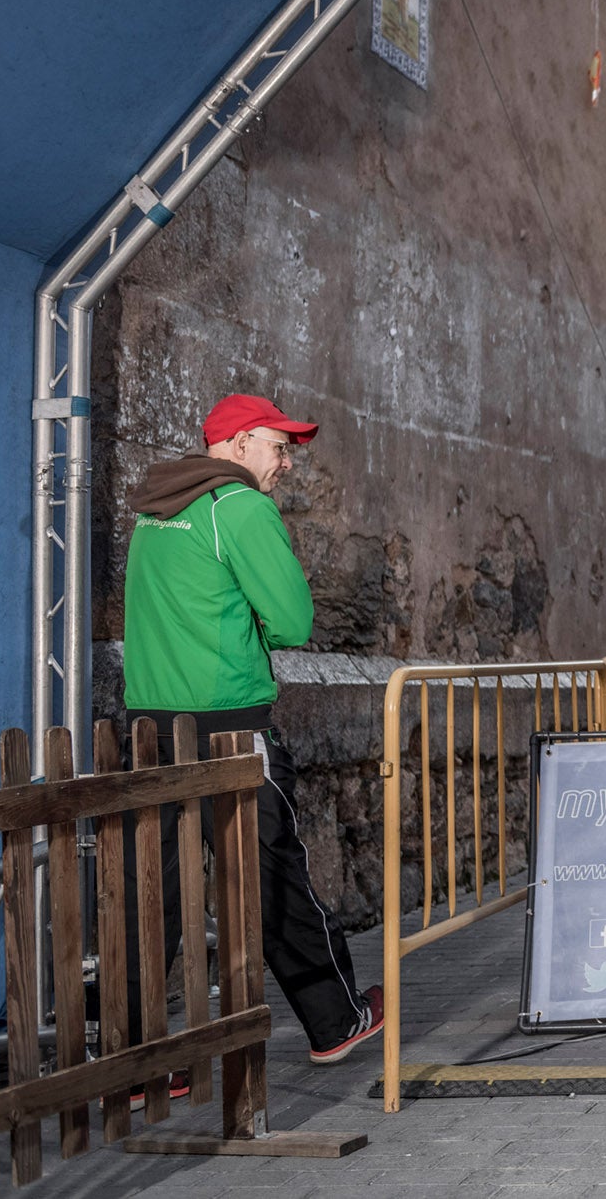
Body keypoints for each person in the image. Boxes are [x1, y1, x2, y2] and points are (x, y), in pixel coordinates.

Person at [121, 394, 382, 1073]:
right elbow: (294, 621)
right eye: (278, 445)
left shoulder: (154, 513)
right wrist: (256, 622)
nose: (286, 462)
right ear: (238, 445)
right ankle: (335, 1021)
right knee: (272, 881)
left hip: (149, 729)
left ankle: (135, 1065)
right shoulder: (239, 507)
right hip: (230, 729)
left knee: (152, 898)